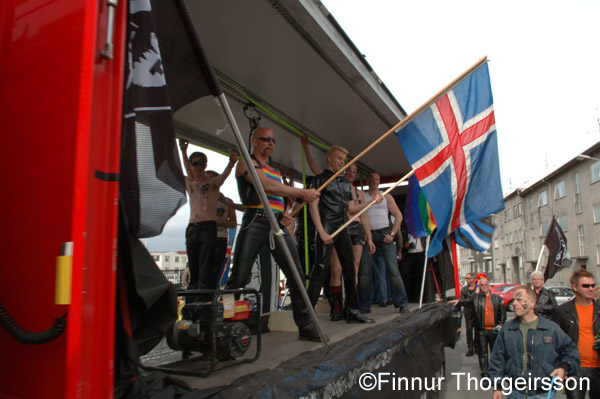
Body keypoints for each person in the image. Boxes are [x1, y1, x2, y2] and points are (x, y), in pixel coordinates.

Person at [225, 127, 323, 342]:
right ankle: (224, 326)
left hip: (275, 225)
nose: (271, 143)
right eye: (266, 139)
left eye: (273, 140)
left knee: (297, 276)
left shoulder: (275, 170)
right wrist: (302, 192)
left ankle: (306, 327)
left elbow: (277, 196)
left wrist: (283, 215)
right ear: (254, 141)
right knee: (239, 277)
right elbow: (267, 186)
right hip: (255, 221)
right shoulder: (246, 162)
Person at [307, 146, 380, 323]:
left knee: (349, 267)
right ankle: (307, 313)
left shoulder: (346, 184)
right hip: (326, 226)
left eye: (344, 160)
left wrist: (371, 203)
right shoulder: (319, 180)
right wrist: (322, 231)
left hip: (342, 227)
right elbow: (313, 207)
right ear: (329, 158)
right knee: (321, 267)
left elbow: (352, 209)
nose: (342, 162)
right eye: (339, 158)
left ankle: (353, 311)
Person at [488, 285, 580, 399]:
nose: (514, 304)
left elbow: (570, 352)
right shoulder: (507, 329)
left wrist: (563, 368)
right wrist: (497, 387)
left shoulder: (551, 329)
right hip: (515, 393)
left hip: (543, 393)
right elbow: (498, 358)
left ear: (532, 303)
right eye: (513, 300)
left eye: (519, 300)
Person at [179, 140, 238, 298]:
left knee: (206, 270)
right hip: (192, 227)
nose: (198, 166)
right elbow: (187, 171)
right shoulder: (191, 184)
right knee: (194, 268)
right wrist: (183, 151)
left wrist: (231, 164)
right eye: (195, 163)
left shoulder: (212, 184)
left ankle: (204, 304)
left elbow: (223, 177)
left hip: (208, 228)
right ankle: (192, 304)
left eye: (201, 163)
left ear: (205, 165)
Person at [358, 172, 410, 314]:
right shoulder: (363, 196)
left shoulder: (387, 196)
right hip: (368, 235)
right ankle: (364, 306)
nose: (374, 181)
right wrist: (368, 238)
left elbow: (399, 216)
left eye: (376, 179)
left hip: (384, 233)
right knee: (365, 272)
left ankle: (402, 304)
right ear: (367, 180)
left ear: (379, 181)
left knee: (393, 270)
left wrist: (392, 234)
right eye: (371, 179)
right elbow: (359, 214)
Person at [451, 275, 506, 377]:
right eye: (482, 285)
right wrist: (457, 302)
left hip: (494, 331)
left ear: (489, 286)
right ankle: (484, 373)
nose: (484, 287)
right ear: (479, 286)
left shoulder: (497, 299)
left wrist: (500, 324)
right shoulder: (475, 298)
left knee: (495, 353)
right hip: (481, 330)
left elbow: (502, 314)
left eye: (486, 285)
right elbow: (465, 302)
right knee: (483, 353)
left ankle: (495, 372)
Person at [557, 269, 600, 399]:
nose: (591, 289)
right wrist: (562, 368)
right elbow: (556, 342)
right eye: (586, 286)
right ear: (575, 287)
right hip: (575, 367)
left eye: (593, 285)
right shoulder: (563, 311)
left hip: (598, 367)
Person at [400, 232, 427, 303]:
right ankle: (407, 297)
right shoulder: (406, 230)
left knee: (420, 276)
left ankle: (419, 297)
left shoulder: (423, 229)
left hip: (421, 254)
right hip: (408, 254)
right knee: (405, 274)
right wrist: (405, 245)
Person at [460, 272, 477, 357]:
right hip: (468, 313)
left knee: (478, 331)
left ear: (472, 279)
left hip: (477, 313)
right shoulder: (464, 290)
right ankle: (470, 348)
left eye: (467, 278)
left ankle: (477, 347)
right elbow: (463, 301)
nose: (466, 280)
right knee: (469, 331)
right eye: (465, 278)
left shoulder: (478, 288)